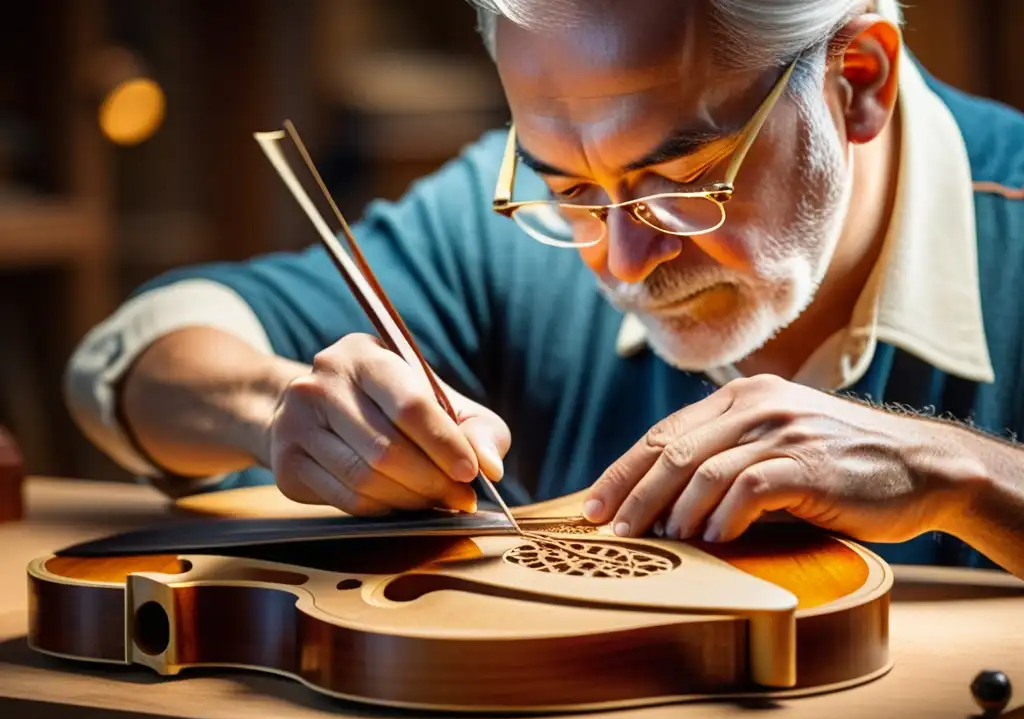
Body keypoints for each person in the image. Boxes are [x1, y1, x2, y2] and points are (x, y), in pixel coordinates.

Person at [64, 0, 1024, 577]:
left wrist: (967, 476)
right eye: (566, 188)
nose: (617, 259)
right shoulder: (497, 233)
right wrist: (274, 408)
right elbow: (136, 357)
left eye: (679, 184)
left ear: (856, 80)